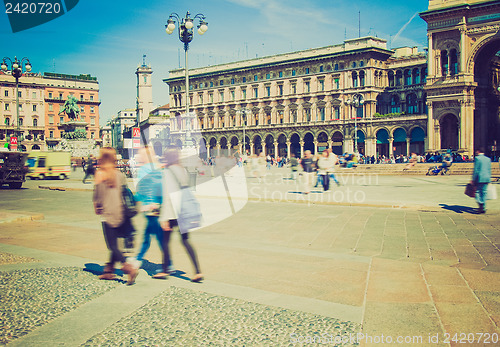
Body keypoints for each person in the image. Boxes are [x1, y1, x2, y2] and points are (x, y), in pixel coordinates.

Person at [92, 147, 138, 285]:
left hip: (108, 214)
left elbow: (97, 197)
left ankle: (128, 268)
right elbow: (126, 193)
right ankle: (108, 271)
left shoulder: (100, 174)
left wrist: (97, 207)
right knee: (115, 244)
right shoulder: (120, 174)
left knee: (112, 246)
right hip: (121, 213)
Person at [158, 148, 203, 282]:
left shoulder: (167, 172)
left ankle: (165, 270)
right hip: (184, 211)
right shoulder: (182, 169)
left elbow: (168, 194)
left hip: (173, 212)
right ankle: (197, 271)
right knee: (185, 241)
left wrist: (164, 217)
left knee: (165, 241)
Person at [134, 147, 174, 275]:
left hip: (151, 209)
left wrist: (136, 200)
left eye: (139, 155)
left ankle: (167, 264)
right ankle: (138, 259)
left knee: (157, 238)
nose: (138, 157)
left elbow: (143, 188)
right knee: (149, 237)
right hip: (158, 207)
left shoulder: (144, 169)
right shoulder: (159, 167)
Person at [471, 148, 491, 214]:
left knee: (477, 192)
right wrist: (489, 179)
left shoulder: (477, 159)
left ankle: (481, 205)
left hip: (479, 178)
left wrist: (473, 179)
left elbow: (476, 170)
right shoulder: (488, 159)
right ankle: (483, 206)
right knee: (484, 192)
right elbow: (489, 170)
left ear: (478, 151)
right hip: (486, 178)